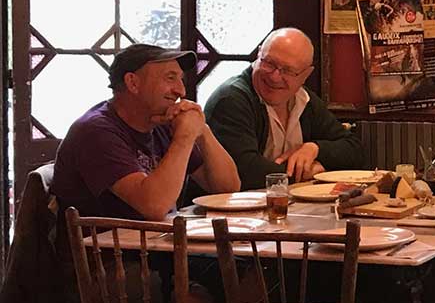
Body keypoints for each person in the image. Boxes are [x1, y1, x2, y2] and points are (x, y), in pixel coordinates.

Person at [52, 44, 241, 221]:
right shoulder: (96, 131)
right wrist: (184, 137)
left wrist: (202, 131)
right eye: (170, 78)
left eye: (180, 79)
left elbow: (227, 189)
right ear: (133, 83)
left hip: (157, 247)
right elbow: (154, 206)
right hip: (111, 254)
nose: (181, 91)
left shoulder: (163, 123)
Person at [205, 28, 364, 189]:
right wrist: (310, 172)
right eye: (269, 63)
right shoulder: (231, 100)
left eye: (288, 71)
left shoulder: (304, 99)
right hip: (221, 211)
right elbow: (246, 172)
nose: (274, 77)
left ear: (306, 75)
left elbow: (354, 150)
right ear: (258, 54)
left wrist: (315, 149)